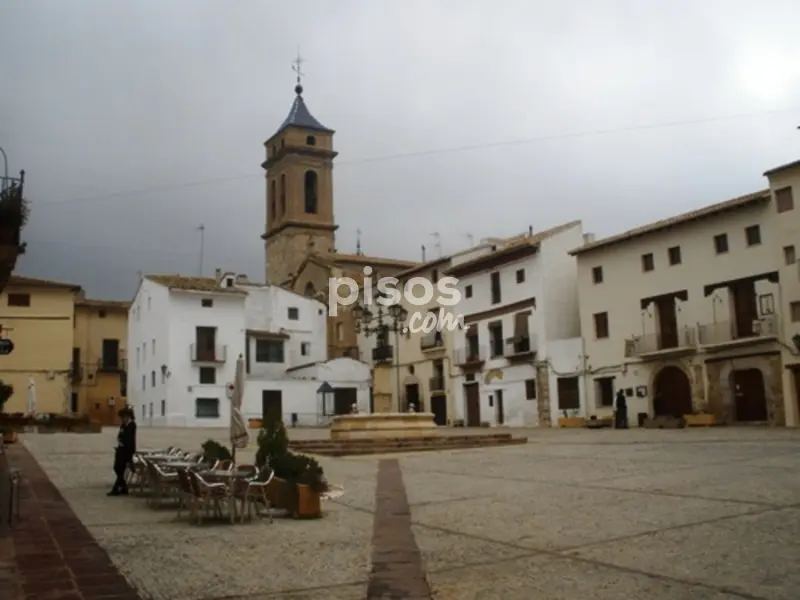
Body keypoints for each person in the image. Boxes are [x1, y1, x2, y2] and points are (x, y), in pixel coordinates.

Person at [108, 406, 137, 496]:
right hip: (121, 449)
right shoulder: (123, 425)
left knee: (120, 469)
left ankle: (116, 489)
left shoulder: (132, 425)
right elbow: (120, 435)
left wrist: (130, 451)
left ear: (128, 416)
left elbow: (129, 439)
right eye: (122, 417)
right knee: (117, 468)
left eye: (124, 417)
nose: (123, 419)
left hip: (127, 451)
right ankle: (124, 488)